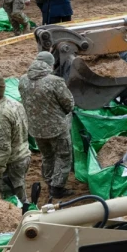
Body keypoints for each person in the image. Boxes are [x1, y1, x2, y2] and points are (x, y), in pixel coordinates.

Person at [19, 51, 74, 199]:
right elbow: (69, 104)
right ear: (50, 64)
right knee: (63, 156)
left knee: (47, 155)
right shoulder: (55, 81)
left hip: (35, 128)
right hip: (57, 128)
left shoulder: (23, 79)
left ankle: (49, 180)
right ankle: (57, 188)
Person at [0, 74, 29, 204]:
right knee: (19, 191)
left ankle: (24, 219)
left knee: (12, 201)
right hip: (22, 155)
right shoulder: (14, 104)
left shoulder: (1, 115)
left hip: (11, 164)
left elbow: (3, 149)